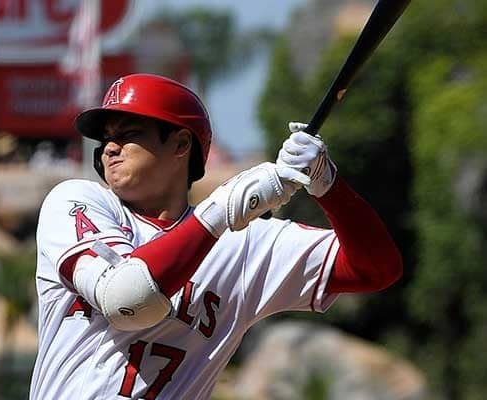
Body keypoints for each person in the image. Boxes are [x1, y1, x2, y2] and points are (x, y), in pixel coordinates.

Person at [30, 73, 402, 399]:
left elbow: (377, 269)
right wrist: (222, 209)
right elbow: (126, 299)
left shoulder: (245, 244)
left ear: (181, 144)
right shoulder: (76, 201)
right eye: (108, 138)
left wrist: (327, 184)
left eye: (129, 134)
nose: (111, 147)